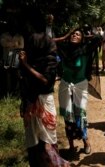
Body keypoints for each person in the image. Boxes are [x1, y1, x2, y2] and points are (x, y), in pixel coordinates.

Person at [18, 15, 69, 166]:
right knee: (33, 144)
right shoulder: (32, 58)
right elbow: (25, 80)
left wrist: (25, 65)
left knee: (47, 143)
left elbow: (45, 80)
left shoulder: (50, 60)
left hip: (44, 103)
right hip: (30, 102)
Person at [57, 28, 102, 154]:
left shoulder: (85, 50)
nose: (74, 35)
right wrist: (64, 36)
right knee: (68, 117)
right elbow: (51, 41)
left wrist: (86, 37)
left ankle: (86, 141)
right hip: (65, 85)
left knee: (80, 116)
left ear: (82, 38)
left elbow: (98, 38)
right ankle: (71, 145)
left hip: (80, 86)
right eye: (72, 34)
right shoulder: (64, 50)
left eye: (77, 34)